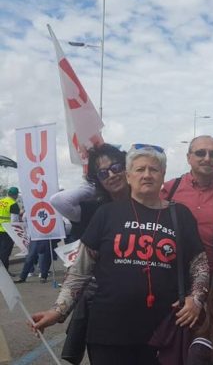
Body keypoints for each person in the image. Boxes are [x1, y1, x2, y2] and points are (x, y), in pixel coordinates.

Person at [31, 144, 210, 365]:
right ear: (128, 176)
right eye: (139, 169)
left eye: (153, 169)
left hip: (163, 332)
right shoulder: (106, 213)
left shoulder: (179, 214)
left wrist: (197, 298)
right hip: (108, 332)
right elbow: (80, 270)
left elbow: (199, 264)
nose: (146, 175)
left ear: (163, 175)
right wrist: (57, 311)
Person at [50, 143, 131, 364]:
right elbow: (59, 200)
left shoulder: (146, 202)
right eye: (103, 173)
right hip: (102, 301)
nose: (112, 175)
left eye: (116, 168)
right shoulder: (96, 210)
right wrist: (94, 184)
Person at [161, 135, 213, 270]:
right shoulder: (170, 189)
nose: (207, 158)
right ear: (188, 158)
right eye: (200, 153)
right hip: (178, 274)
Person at [0, 187, 20, 275]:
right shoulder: (13, 204)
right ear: (16, 195)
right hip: (7, 231)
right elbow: (14, 221)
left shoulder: (1, 201)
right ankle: (4, 273)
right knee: (5, 252)